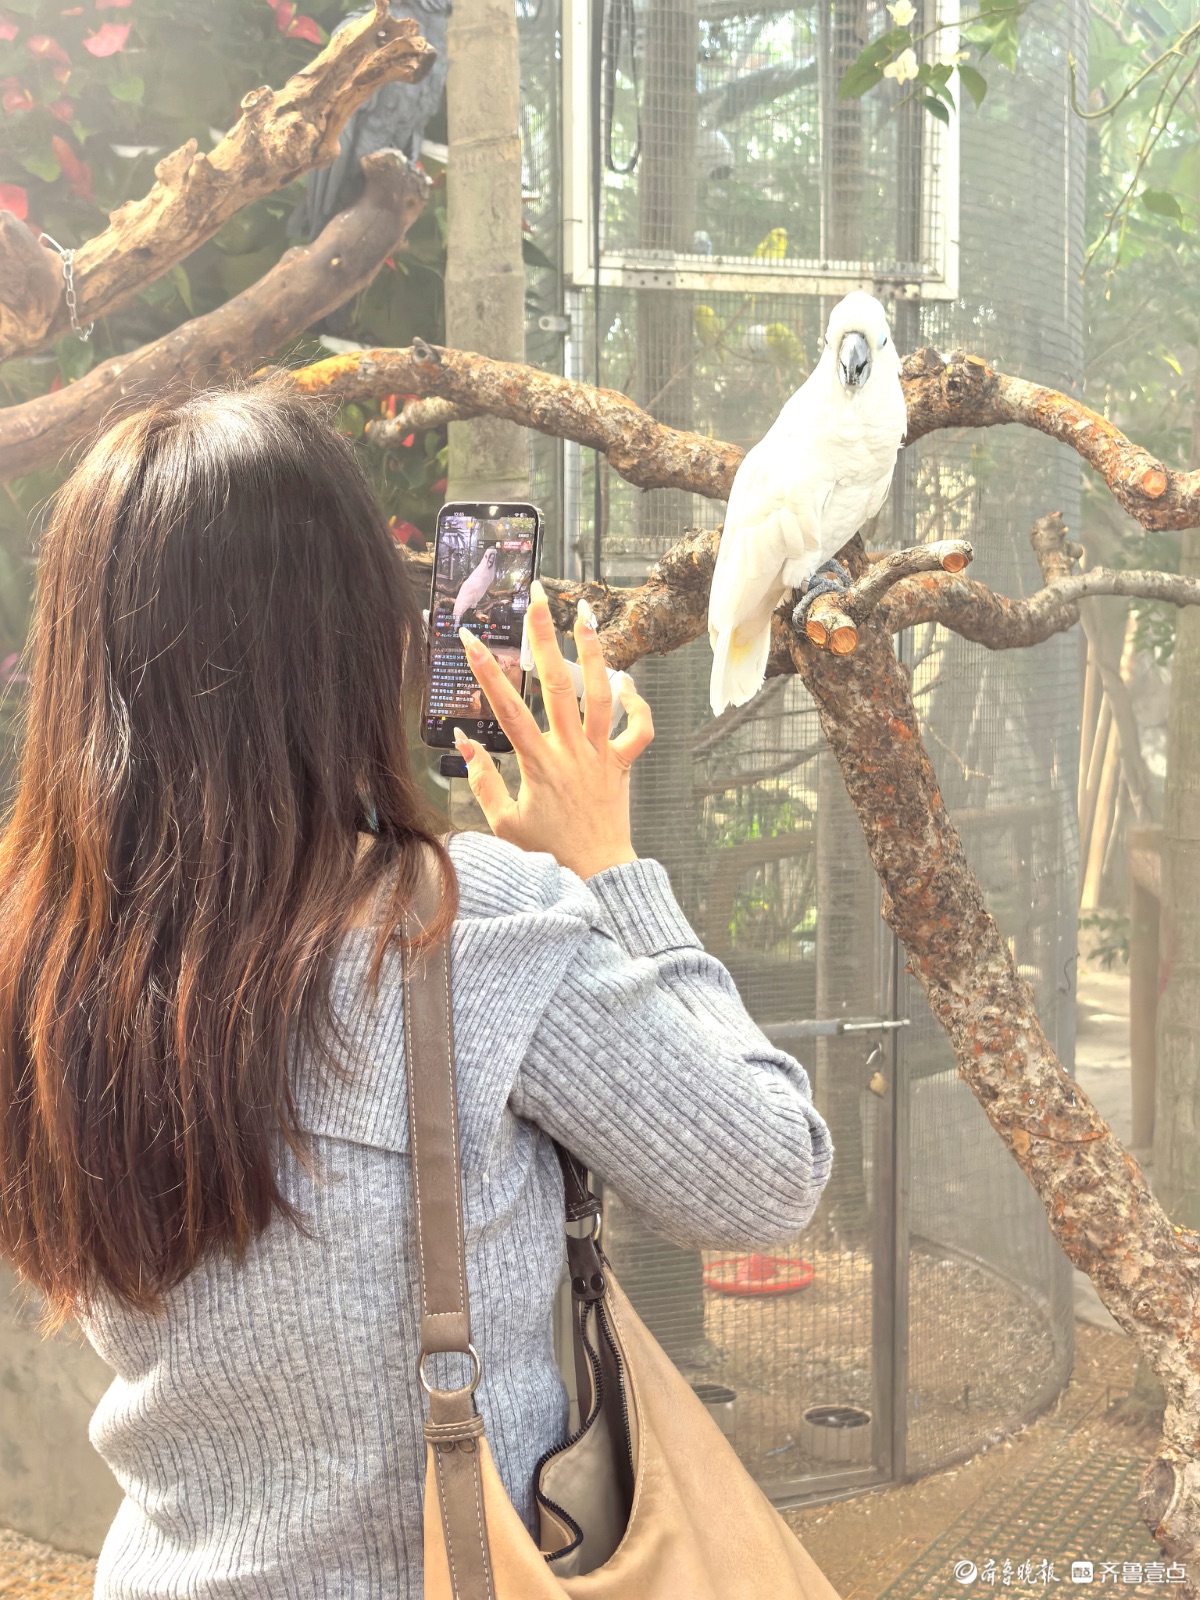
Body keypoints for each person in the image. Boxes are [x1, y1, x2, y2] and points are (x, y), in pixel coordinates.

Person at [0, 378, 834, 1599]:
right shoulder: (469, 926)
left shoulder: (44, 954)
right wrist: (607, 869)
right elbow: (772, 1173)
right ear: (369, 643)